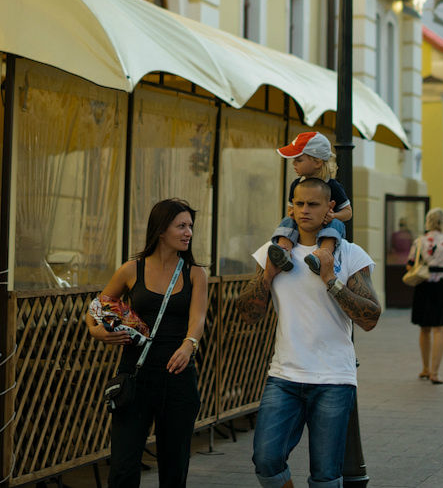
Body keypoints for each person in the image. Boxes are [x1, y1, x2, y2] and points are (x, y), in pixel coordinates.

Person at [237, 177, 380, 488]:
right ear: (291, 207)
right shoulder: (273, 253)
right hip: (284, 375)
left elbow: (371, 317)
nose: (304, 210)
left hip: (333, 379)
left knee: (326, 475)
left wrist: (332, 281)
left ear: (329, 208)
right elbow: (248, 314)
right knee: (266, 459)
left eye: (313, 204)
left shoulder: (350, 254)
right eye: (299, 204)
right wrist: (267, 277)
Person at [86, 198, 208, 488]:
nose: (188, 232)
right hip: (135, 376)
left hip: (178, 377)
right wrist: (98, 333)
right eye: (181, 226)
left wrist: (189, 344)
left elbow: (198, 319)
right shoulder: (130, 270)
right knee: (123, 468)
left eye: (190, 226)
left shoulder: (195, 273)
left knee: (174, 468)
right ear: (161, 229)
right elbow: (95, 309)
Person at [268, 131, 352, 274]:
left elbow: (348, 213)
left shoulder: (333, 186)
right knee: (287, 221)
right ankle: (283, 252)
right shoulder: (296, 185)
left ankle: (322, 256)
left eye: (299, 160)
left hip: (327, 226)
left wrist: (334, 216)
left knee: (337, 225)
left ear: (318, 162)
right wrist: (293, 213)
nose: (294, 163)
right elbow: (290, 209)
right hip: (303, 227)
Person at [406, 207, 443, 385]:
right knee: (439, 328)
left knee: (424, 327)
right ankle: (435, 372)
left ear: (428, 221)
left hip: (424, 285)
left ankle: (425, 368)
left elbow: (410, 264)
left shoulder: (419, 241)